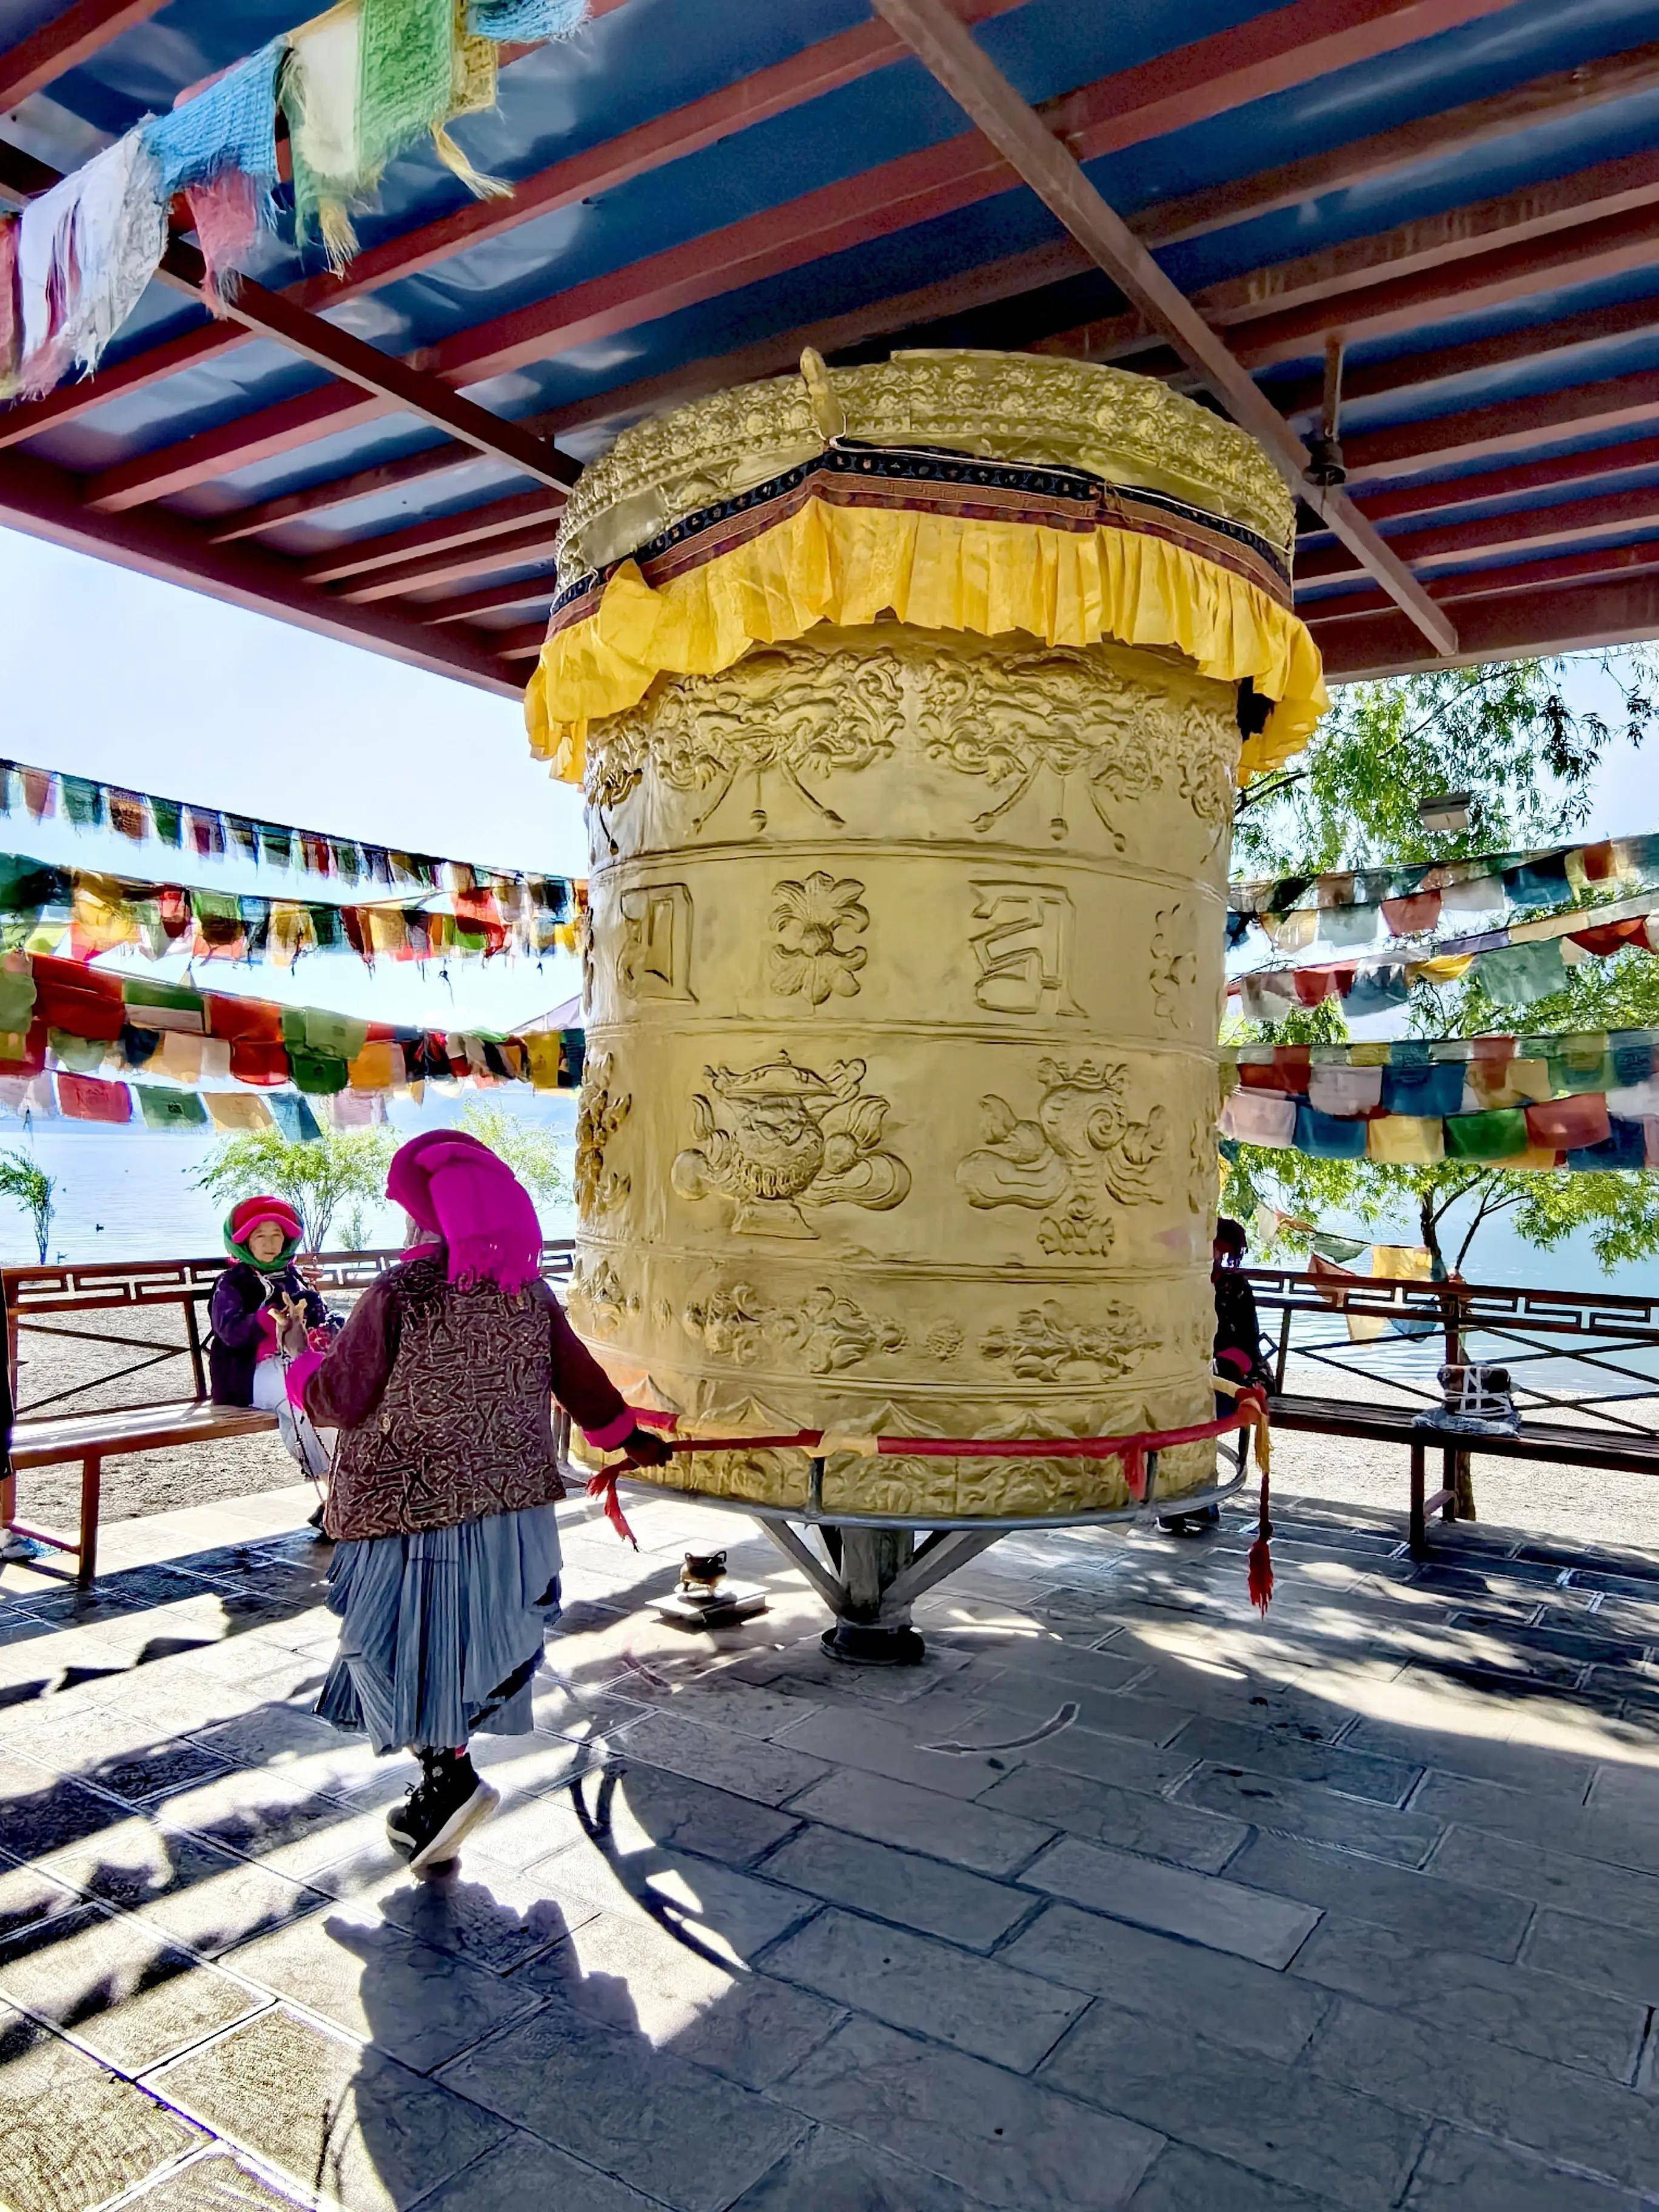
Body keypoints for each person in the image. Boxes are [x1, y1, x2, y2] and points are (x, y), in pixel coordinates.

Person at [280, 1128, 672, 1873]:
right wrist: (627, 1437)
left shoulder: (402, 1291)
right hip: (508, 1506)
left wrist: (301, 1366)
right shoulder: (527, 1291)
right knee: (469, 1643)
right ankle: (443, 1782)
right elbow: (579, 1379)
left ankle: (446, 1784)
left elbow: (339, 1397)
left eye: (409, 1211)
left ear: (426, 1216)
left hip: (406, 1506)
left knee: (410, 1644)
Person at [209, 1197, 337, 1513]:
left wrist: (321, 1323)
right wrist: (267, 1318)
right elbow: (230, 1333)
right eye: (260, 1236)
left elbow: (318, 1320)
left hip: (296, 1363)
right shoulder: (231, 1283)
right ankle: (333, 1490)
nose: (270, 1243)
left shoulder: (292, 1276)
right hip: (249, 1375)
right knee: (302, 1396)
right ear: (244, 1242)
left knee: (328, 1398)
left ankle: (339, 1489)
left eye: (277, 1235)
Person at [1161, 1217, 1269, 1537]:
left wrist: (1224, 1366)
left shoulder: (1235, 1286)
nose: (1216, 1257)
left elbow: (1248, 1343)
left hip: (1231, 1375)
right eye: (1212, 1249)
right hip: (1181, 1373)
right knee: (1176, 1407)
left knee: (1200, 1411)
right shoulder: (1179, 1284)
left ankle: (1192, 1498)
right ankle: (1185, 1498)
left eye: (1222, 1253)